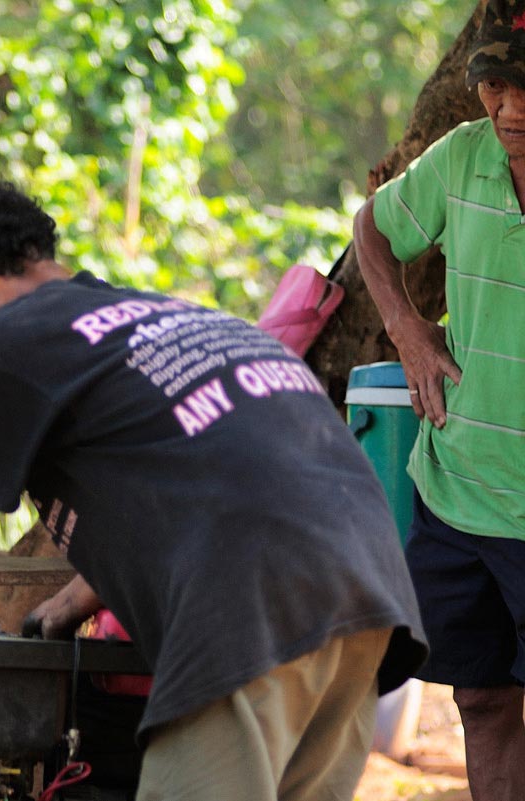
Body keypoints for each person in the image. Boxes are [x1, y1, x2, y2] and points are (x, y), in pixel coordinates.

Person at [0, 177, 428, 801]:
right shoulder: (166, 318)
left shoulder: (14, 334)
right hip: (365, 593)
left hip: (250, 603)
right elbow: (211, 478)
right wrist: (68, 604)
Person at [352, 2, 525, 797]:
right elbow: (374, 227)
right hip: (459, 492)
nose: (510, 108)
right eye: (495, 85)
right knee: (482, 698)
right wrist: (408, 330)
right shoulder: (461, 157)